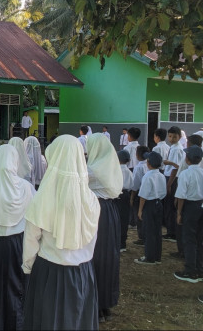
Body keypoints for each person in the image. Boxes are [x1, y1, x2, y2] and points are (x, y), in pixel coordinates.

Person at [23, 135, 100, 330]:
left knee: (48, 322)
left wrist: (28, 268)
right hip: (82, 272)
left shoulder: (42, 199)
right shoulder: (91, 200)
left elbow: (31, 241)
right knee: (78, 321)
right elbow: (91, 238)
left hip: (49, 273)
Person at [0, 144, 35, 330]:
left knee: (2, 291)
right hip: (24, 243)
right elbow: (35, 218)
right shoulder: (27, 187)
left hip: (2, 248)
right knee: (21, 288)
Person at [86, 133, 123, 322]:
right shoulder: (112, 166)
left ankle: (97, 304)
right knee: (110, 256)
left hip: (96, 211)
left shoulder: (91, 170)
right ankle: (107, 303)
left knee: (96, 256)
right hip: (111, 212)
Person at [173, 145, 203, 283]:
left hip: (190, 207)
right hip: (201, 206)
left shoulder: (185, 174)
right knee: (199, 239)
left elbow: (181, 196)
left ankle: (190, 271)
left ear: (187, 159)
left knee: (189, 238)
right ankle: (199, 269)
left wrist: (179, 213)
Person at [134, 151, 166, 265]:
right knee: (157, 231)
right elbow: (163, 193)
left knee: (149, 231)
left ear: (148, 163)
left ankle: (149, 257)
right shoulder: (161, 175)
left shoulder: (148, 176)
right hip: (159, 203)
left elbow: (143, 195)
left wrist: (140, 210)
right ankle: (157, 256)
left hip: (149, 204)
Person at [162, 126, 185, 243]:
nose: (171, 139)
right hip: (170, 177)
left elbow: (175, 168)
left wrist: (169, 184)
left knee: (170, 206)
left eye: (174, 137)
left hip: (172, 178)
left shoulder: (177, 149)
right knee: (169, 206)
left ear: (179, 137)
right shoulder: (173, 147)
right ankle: (171, 231)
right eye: (170, 136)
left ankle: (171, 232)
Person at [130, 146, 150, 246]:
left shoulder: (138, 167)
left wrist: (132, 197)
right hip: (149, 195)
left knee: (139, 214)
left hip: (139, 193)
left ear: (137, 155)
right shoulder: (149, 164)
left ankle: (142, 237)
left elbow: (135, 184)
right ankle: (146, 235)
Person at [116, 150, 134, 252]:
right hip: (126, 195)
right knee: (124, 219)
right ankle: (122, 243)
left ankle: (116, 241)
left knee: (116, 219)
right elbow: (132, 185)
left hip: (116, 195)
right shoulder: (129, 171)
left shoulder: (114, 170)